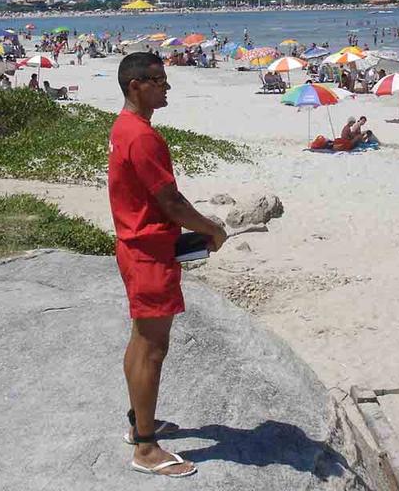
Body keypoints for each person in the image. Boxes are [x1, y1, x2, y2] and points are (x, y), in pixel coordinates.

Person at [108, 52, 227, 478]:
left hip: (138, 246)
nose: (166, 86)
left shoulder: (125, 128)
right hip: (148, 252)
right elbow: (171, 202)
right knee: (153, 348)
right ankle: (144, 448)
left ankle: (138, 421)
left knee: (141, 340)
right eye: (158, 80)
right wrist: (213, 229)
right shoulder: (141, 136)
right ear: (135, 84)